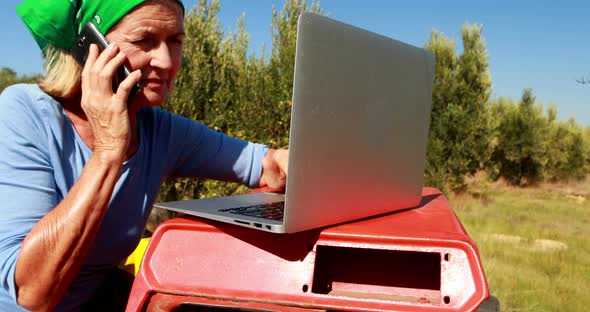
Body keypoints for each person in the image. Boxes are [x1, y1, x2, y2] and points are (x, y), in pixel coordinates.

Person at [0, 0, 288, 310]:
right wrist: (110, 150)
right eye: (143, 40)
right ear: (89, 46)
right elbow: (33, 294)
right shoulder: (23, 113)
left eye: (175, 41)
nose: (166, 61)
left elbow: (267, 165)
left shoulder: (157, 128)